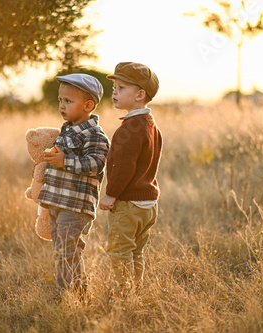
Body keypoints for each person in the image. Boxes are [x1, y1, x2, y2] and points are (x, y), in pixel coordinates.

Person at [37, 73, 110, 300]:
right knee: (61, 252)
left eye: (68, 101)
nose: (61, 105)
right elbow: (59, 164)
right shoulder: (66, 130)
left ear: (88, 106)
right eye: (60, 100)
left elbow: (96, 164)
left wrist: (64, 161)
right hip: (59, 202)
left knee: (69, 252)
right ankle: (67, 294)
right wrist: (46, 168)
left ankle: (77, 296)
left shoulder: (94, 134)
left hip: (76, 205)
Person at [99, 62, 163, 295]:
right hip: (147, 204)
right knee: (135, 251)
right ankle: (135, 291)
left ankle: (123, 296)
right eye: (114, 87)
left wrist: (111, 194)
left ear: (139, 95)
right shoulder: (150, 124)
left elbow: (123, 167)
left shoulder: (129, 129)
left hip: (128, 204)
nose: (114, 92)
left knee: (120, 252)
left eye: (121, 88)